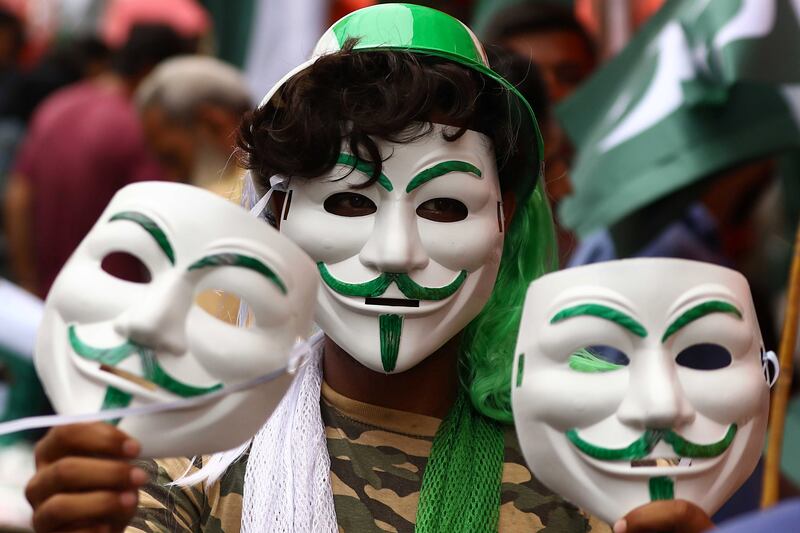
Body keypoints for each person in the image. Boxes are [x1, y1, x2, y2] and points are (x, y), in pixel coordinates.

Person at [24, 5, 714, 533]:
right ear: (278, 212)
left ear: (504, 216)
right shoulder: (191, 453)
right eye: (350, 199)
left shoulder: (596, 466)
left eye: (445, 206)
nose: (394, 252)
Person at [3, 24, 190, 298]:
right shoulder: (144, 129)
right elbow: (160, 222)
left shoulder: (55, 107)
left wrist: (28, 281)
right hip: (116, 303)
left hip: (48, 299)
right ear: (153, 69)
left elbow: (17, 197)